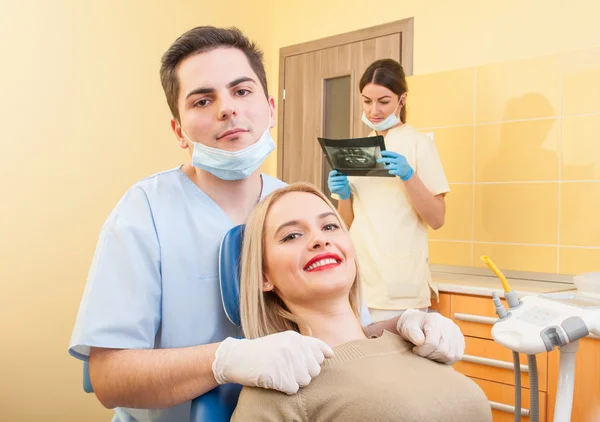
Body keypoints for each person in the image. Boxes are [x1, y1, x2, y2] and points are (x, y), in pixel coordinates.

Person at [68, 27, 464, 422]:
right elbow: (109, 378)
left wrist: (408, 326)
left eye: (242, 91)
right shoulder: (145, 213)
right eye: (203, 100)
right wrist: (224, 361)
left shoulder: (291, 205)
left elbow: (349, 329)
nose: (227, 109)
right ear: (178, 130)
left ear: (270, 108)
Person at [230, 182, 490, 421]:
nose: (320, 239)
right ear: (264, 276)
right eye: (292, 235)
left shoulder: (417, 342)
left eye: (330, 226)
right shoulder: (280, 386)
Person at [328, 58, 450, 323]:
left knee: (396, 363)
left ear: (401, 99)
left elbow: (437, 218)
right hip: (359, 282)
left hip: (400, 286)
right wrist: (345, 195)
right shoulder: (359, 149)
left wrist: (409, 176)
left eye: (383, 101)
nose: (374, 110)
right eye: (367, 101)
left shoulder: (419, 144)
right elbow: (346, 225)